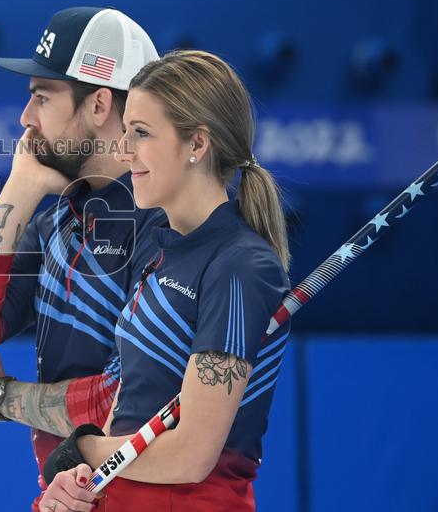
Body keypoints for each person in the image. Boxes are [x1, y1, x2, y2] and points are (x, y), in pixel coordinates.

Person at [0, 7, 166, 507]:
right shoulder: (58, 218)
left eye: (41, 98)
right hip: (70, 496)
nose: (25, 119)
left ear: (100, 104)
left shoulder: (163, 219)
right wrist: (20, 187)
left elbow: (132, 404)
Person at [40, 50, 291, 511]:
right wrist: (81, 484)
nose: (123, 150)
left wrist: (85, 447)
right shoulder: (156, 249)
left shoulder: (240, 267)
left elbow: (192, 455)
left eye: (141, 133)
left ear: (197, 144)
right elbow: (128, 411)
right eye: (125, 132)